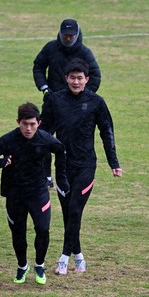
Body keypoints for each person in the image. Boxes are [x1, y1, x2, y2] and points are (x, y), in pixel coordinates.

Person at [40, 59, 122, 276]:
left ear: (87, 79)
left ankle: (64, 259)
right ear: (66, 78)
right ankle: (79, 256)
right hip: (62, 166)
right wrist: (43, 168)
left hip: (86, 165)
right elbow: (44, 134)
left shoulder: (96, 102)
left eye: (80, 78)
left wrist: (114, 162)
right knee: (68, 213)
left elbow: (107, 132)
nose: (76, 82)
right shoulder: (55, 100)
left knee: (76, 209)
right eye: (72, 77)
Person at [0, 103, 70, 285]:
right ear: (18, 122)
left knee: (43, 229)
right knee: (18, 232)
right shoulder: (8, 140)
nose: (28, 129)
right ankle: (22, 266)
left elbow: (61, 151)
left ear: (39, 123)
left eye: (32, 124)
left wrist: (61, 179)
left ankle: (39, 265)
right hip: (14, 194)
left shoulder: (46, 140)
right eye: (24, 124)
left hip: (38, 193)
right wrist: (2, 162)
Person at [33, 19, 101, 188]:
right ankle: (46, 175)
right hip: (51, 103)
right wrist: (44, 88)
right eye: (66, 35)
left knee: (69, 141)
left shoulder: (85, 53)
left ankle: (69, 174)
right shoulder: (50, 48)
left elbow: (96, 76)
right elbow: (38, 66)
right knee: (43, 137)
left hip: (74, 109)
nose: (68, 38)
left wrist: (84, 97)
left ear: (77, 35)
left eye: (71, 36)